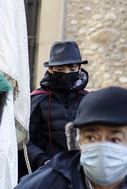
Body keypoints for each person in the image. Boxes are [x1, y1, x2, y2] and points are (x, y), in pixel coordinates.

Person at [24, 40, 90, 171]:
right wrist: (43, 162)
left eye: (72, 69)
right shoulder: (37, 100)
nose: (66, 73)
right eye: (60, 69)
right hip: (45, 172)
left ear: (79, 69)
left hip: (83, 173)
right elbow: (25, 140)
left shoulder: (89, 100)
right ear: (50, 69)